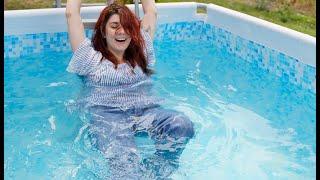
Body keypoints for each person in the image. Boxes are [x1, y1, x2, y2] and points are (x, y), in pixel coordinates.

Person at [65, 0, 195, 179]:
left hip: (146, 113)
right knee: (126, 166)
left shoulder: (142, 51)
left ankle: (156, 170)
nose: (121, 31)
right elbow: (72, 13)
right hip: (109, 117)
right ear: (103, 31)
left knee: (181, 125)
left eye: (126, 26)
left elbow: (151, 12)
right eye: (114, 26)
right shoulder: (89, 58)